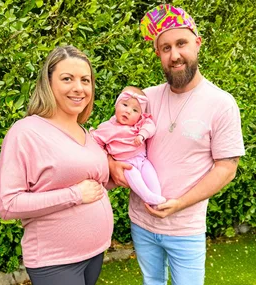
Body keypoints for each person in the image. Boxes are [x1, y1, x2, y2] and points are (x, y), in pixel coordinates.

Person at [109, 4, 245, 285]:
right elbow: (113, 138)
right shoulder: (144, 99)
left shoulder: (221, 103)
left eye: (181, 44)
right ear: (158, 54)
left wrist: (179, 203)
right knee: (152, 283)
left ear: (197, 43)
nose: (175, 55)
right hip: (141, 222)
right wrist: (112, 164)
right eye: (166, 48)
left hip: (186, 227)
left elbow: (227, 168)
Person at [0, 45, 114, 285]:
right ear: (48, 84)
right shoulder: (26, 132)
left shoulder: (85, 133)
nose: (79, 88)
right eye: (67, 79)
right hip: (56, 260)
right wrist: (74, 195)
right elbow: (7, 205)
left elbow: (94, 184)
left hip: (95, 252)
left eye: (85, 80)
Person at [90, 86, 166, 205]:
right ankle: (147, 197)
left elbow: (150, 125)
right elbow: (94, 142)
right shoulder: (107, 128)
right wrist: (105, 155)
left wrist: (142, 135)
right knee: (135, 177)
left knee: (151, 175)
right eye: (125, 105)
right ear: (116, 105)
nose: (128, 111)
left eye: (135, 110)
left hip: (142, 160)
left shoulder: (139, 124)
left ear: (140, 115)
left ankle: (157, 198)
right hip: (126, 164)